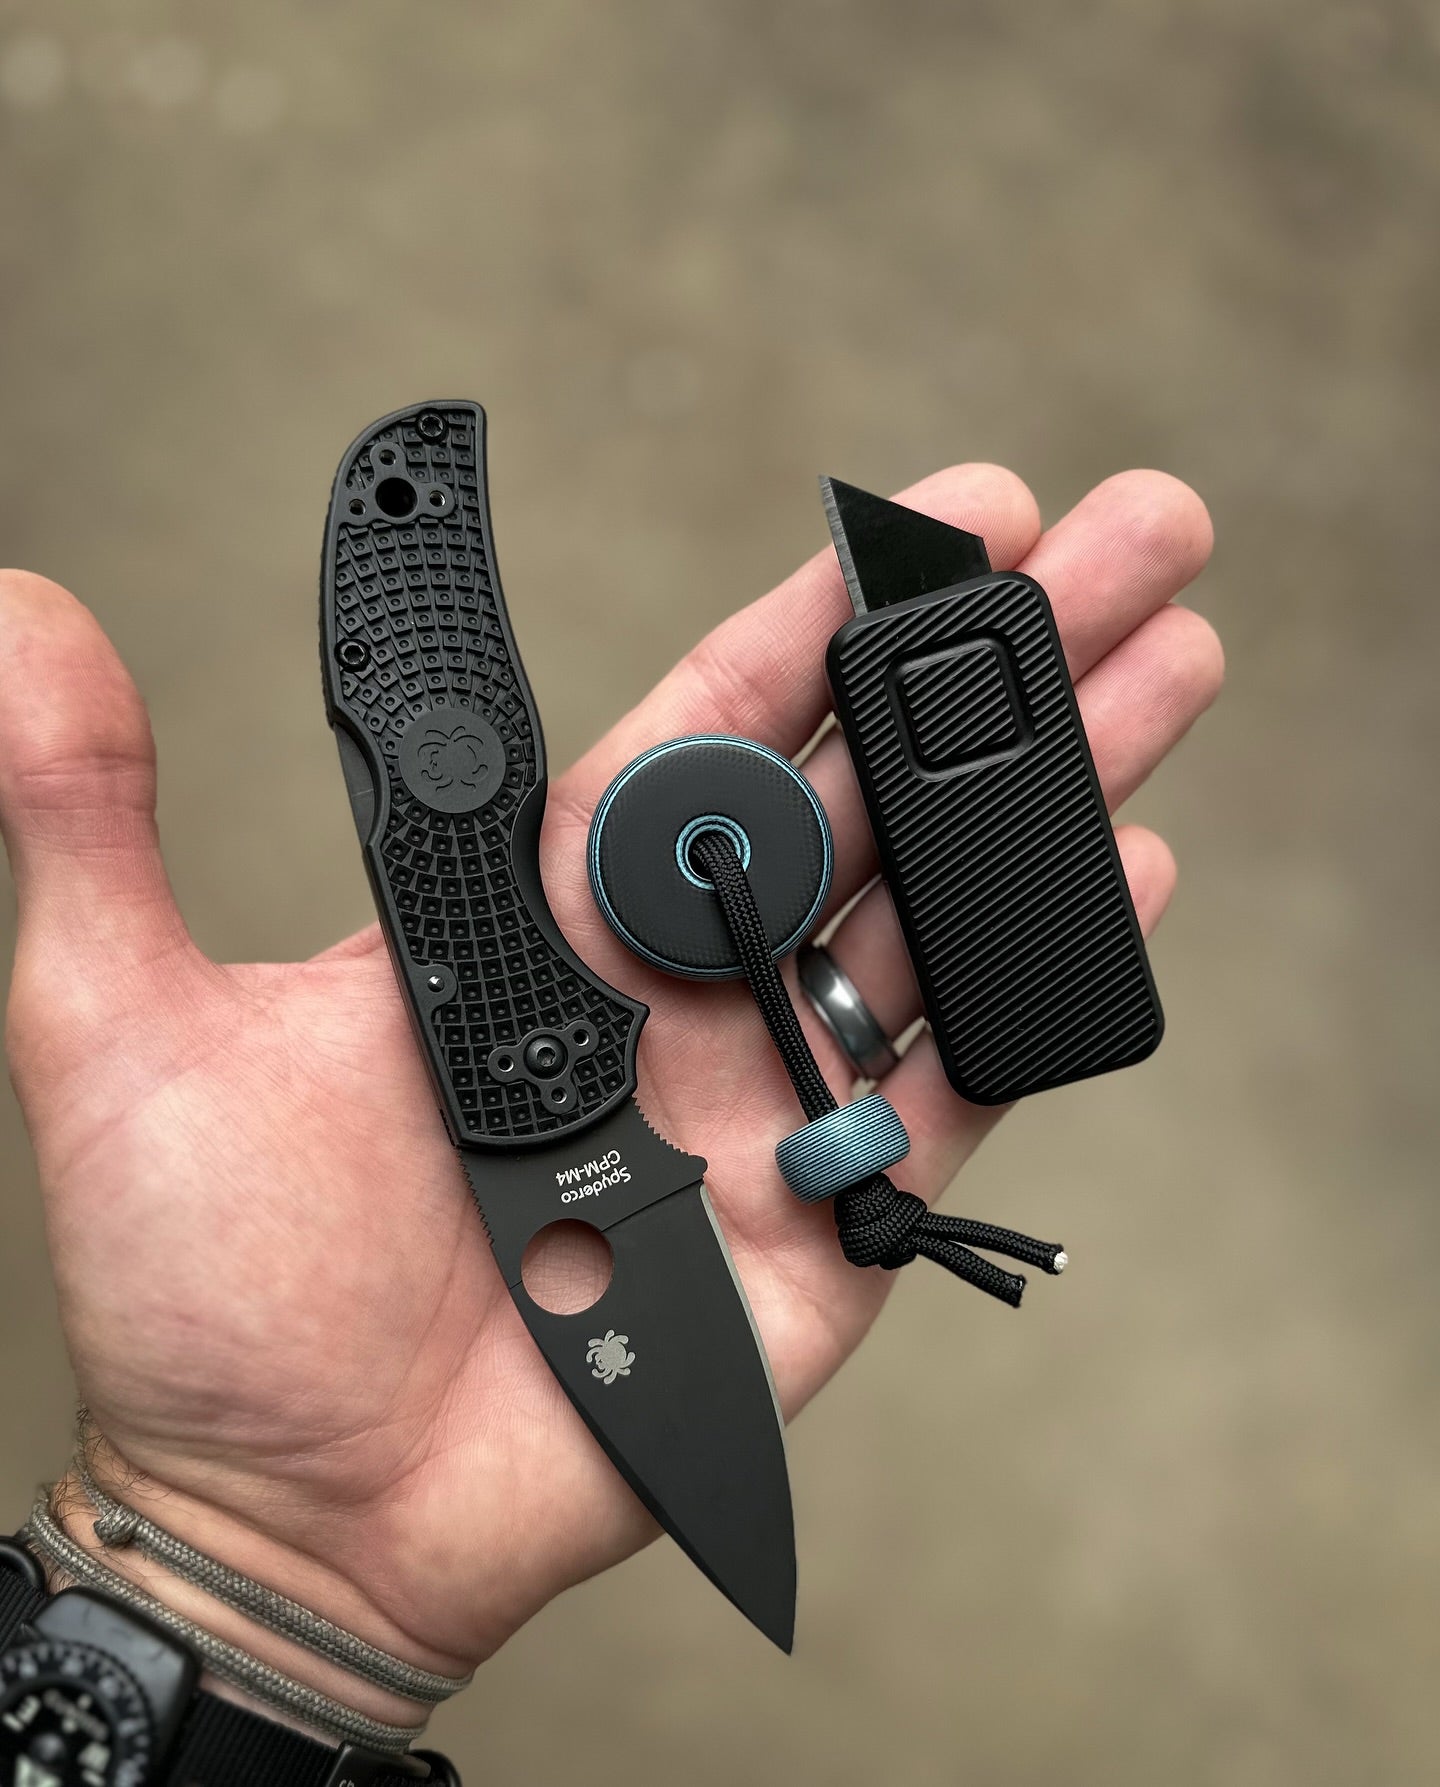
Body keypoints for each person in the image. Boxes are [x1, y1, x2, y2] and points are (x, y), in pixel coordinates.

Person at [0, 463, 1221, 1738]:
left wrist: (223, 1578)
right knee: (448, 776)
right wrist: (243, 1555)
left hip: (552, 1049)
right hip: (516, 1055)